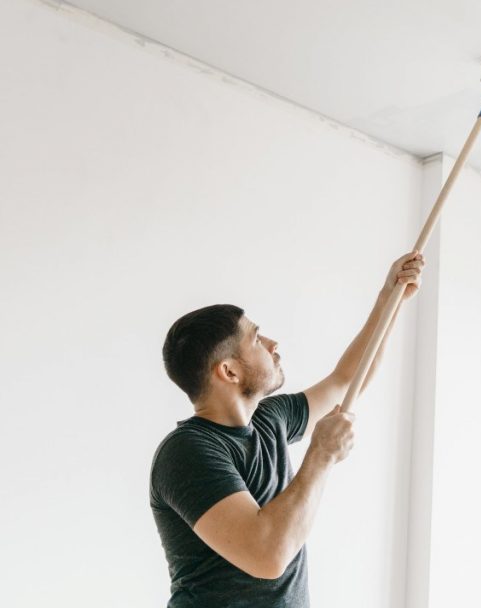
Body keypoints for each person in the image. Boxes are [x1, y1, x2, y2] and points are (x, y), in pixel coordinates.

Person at [150, 250, 425, 607]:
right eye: (256, 338)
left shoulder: (270, 419)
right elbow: (268, 555)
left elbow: (346, 381)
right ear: (229, 372)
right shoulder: (188, 452)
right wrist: (321, 456)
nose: (272, 344)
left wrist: (390, 299)